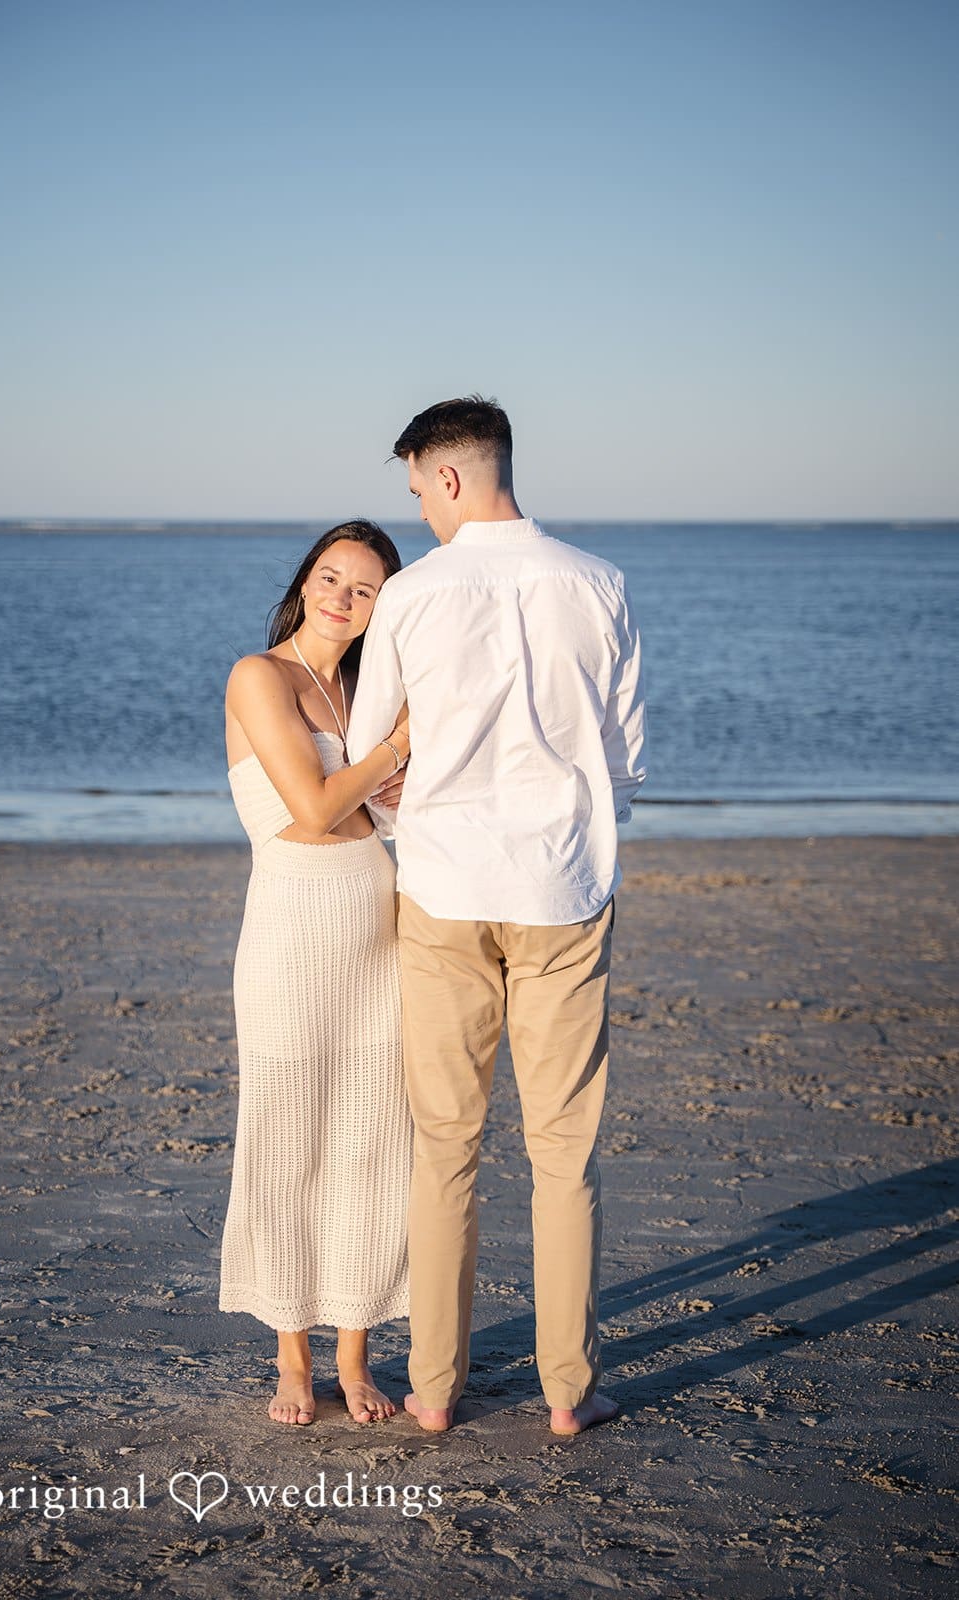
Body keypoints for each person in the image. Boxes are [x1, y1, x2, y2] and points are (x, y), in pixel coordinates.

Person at [346, 397, 648, 1436]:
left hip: (442, 889)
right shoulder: (598, 583)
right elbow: (624, 760)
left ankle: (435, 1388)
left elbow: (374, 751)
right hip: (563, 889)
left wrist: (412, 822)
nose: (420, 512)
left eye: (416, 490)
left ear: (444, 477)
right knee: (565, 1149)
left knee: (446, 1147)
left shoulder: (416, 594)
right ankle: (568, 1392)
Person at [219, 519, 414, 1426]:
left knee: (372, 1146)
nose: (341, 596)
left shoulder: (365, 696)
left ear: (382, 609)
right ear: (304, 582)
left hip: (379, 937)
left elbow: (373, 814)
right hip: (291, 939)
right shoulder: (260, 678)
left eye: (364, 587)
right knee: (289, 1143)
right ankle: (293, 1360)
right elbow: (308, 809)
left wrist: (388, 767)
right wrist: (395, 751)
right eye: (330, 577)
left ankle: (355, 1355)